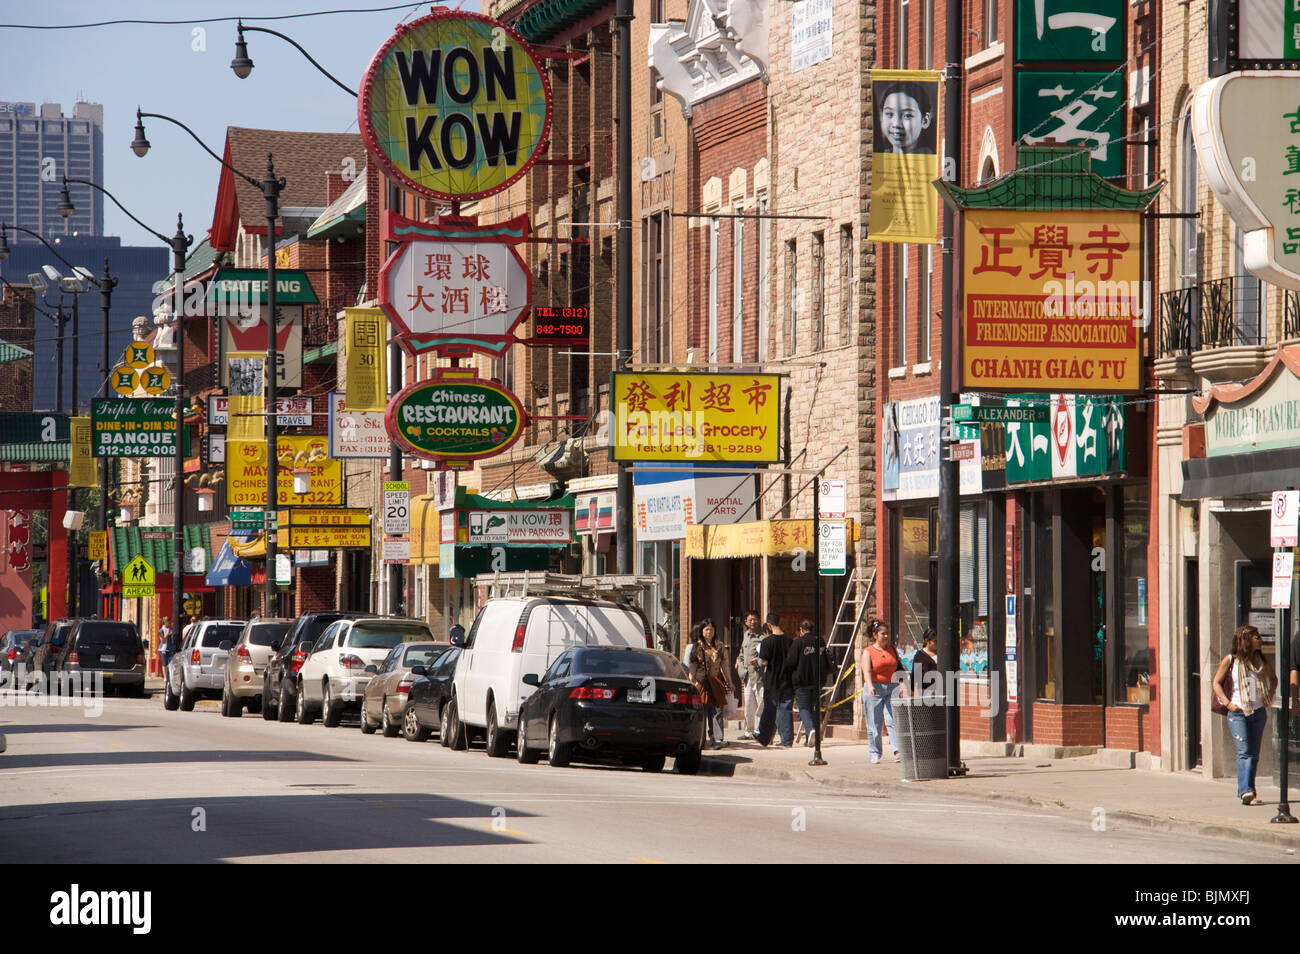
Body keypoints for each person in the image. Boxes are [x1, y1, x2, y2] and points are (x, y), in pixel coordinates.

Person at [1212, 624, 1278, 805]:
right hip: (1238, 712)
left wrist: (1268, 697)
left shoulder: (1260, 661)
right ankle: (1246, 791)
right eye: (1257, 637)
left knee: (1253, 754)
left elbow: (1273, 679)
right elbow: (1216, 682)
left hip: (1258, 712)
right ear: (1247, 640)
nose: (1261, 640)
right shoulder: (1231, 660)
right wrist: (1227, 703)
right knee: (1244, 752)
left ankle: (1250, 791)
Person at [862, 619, 904, 763]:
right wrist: (870, 685)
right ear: (875, 635)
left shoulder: (892, 650)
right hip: (875, 688)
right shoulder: (868, 652)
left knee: (893, 720)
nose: (885, 636)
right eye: (882, 634)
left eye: (887, 634)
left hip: (892, 687)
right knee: (875, 723)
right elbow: (866, 670)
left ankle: (898, 751)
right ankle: (875, 752)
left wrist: (902, 684)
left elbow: (899, 668)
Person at [788, 619, 833, 748]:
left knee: (803, 708)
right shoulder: (820, 641)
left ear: (801, 630)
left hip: (802, 681)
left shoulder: (798, 642)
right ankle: (810, 738)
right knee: (813, 708)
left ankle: (811, 730)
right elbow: (825, 659)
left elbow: (790, 662)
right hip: (817, 681)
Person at [689, 619, 731, 748]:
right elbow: (693, 666)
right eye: (706, 629)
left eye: (711, 629)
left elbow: (725, 666)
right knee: (703, 711)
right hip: (701, 682)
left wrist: (730, 681)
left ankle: (717, 739)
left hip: (716, 681)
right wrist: (692, 682)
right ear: (702, 631)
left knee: (717, 709)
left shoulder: (720, 646)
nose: (709, 632)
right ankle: (701, 739)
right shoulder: (697, 647)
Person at [756, 613, 795, 747]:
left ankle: (764, 737)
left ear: (768, 625)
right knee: (786, 709)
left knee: (769, 709)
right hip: (787, 680)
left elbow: (764, 661)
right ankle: (787, 740)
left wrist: (757, 662)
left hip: (772, 680)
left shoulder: (766, 642)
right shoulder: (790, 641)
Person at [877, 82, 934, 154]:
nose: (896, 124)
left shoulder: (932, 159)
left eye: (907, 116)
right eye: (889, 114)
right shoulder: (880, 158)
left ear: (925, 121)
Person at [735, 611, 765, 740]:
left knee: (760, 704)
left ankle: (760, 730)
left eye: (755, 619)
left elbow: (766, 656)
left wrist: (759, 660)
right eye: (750, 620)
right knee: (748, 704)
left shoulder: (763, 637)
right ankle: (749, 730)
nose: (753, 622)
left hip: (759, 676)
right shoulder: (746, 635)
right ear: (746, 622)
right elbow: (742, 653)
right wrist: (738, 661)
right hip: (747, 676)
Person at [911, 627, 940, 696]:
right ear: (926, 641)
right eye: (934, 641)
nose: (937, 643)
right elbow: (914, 675)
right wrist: (912, 691)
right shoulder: (919, 656)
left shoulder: (941, 654)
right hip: (925, 691)